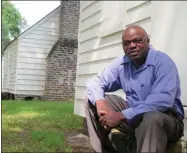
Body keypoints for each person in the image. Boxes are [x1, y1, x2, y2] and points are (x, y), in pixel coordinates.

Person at [84, 25, 184, 153]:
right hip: (134, 117)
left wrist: (121, 115)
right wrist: (100, 102)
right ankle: (103, 150)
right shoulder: (122, 63)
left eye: (137, 41)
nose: (132, 46)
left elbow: (162, 101)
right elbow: (96, 82)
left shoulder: (163, 62)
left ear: (147, 41)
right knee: (90, 99)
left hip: (167, 120)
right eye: (126, 43)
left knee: (151, 118)